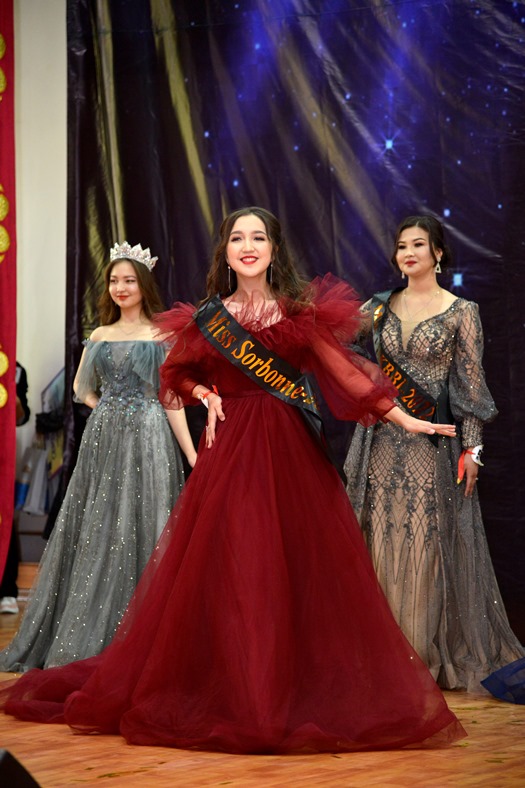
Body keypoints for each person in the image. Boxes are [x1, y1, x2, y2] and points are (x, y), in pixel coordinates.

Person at [0, 208, 465, 753]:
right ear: (225, 251)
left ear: (274, 249)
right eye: (238, 238)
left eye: (258, 237)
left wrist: (407, 419)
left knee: (291, 568)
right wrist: (205, 393)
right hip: (232, 452)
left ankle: (282, 687)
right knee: (239, 562)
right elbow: (176, 375)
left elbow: (347, 374)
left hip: (290, 456)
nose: (248, 246)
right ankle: (238, 687)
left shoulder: (297, 314)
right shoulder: (209, 318)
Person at [344, 215, 524, 693]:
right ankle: (380, 655)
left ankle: (418, 655)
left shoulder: (461, 311)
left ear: (438, 253)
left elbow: (470, 387)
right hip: (380, 443)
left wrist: (473, 449)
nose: (408, 253)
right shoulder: (376, 308)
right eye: (402, 245)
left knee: (424, 545)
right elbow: (334, 351)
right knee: (380, 541)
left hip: (434, 446)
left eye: (418, 245)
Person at [0, 242, 196, 671]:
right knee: (102, 522)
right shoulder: (100, 335)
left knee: (146, 521)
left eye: (129, 281)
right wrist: (107, 405)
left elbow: (172, 398)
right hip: (105, 440)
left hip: (149, 437)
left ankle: (142, 635)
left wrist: (193, 456)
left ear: (144, 285)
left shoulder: (163, 335)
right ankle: (90, 632)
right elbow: (79, 389)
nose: (120, 288)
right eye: (113, 281)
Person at [0, 363, 31, 615]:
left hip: (3, 453)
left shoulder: (15, 369)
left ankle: (7, 589)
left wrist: (14, 399)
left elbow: (22, 417)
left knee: (4, 515)